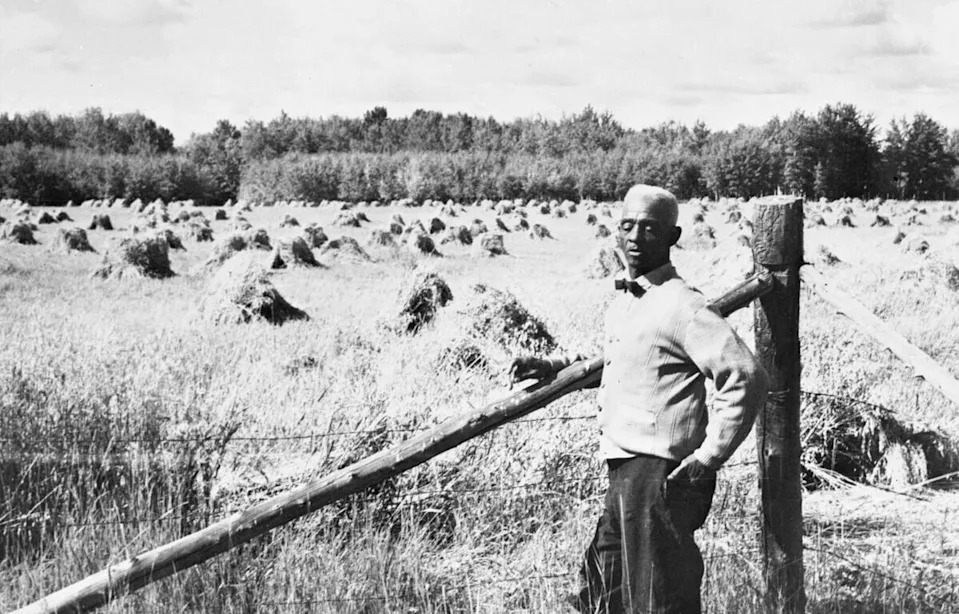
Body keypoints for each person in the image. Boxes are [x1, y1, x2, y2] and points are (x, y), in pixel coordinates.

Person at [509, 184, 769, 614]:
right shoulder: (629, 302)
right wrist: (556, 366)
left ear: (673, 237)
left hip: (660, 472)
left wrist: (708, 459)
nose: (634, 238)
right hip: (625, 469)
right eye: (627, 226)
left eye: (649, 229)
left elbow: (746, 376)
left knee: (659, 598)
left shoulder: (683, 306)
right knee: (604, 590)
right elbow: (621, 362)